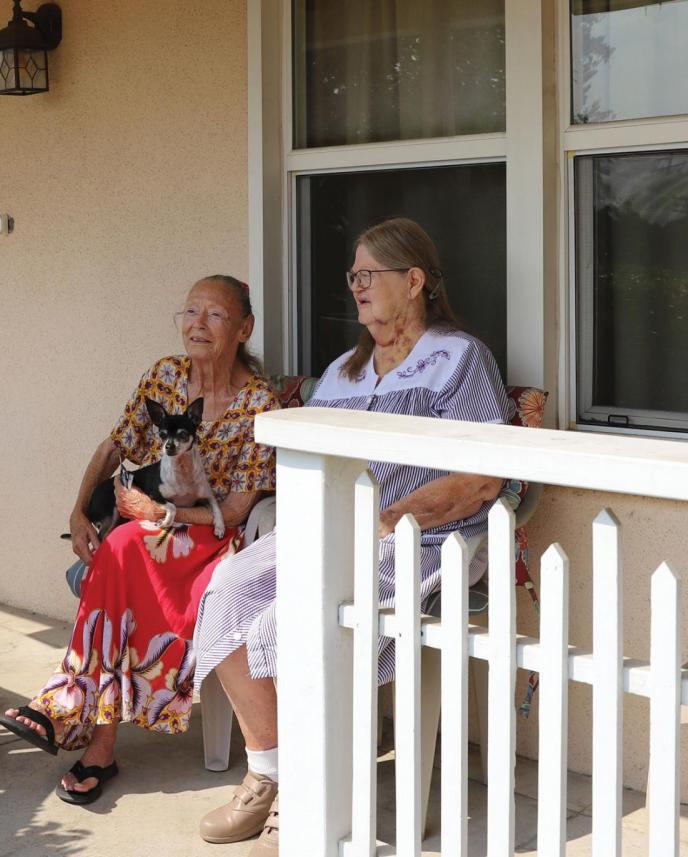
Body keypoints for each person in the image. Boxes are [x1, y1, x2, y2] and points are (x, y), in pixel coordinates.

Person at [192, 217, 513, 856]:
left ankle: (310, 797)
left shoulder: (459, 358)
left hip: (424, 538)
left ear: (414, 280)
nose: (357, 287)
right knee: (224, 590)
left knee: (287, 624)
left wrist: (395, 518)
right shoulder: (344, 368)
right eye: (354, 276)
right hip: (332, 528)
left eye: (369, 275)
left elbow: (483, 477)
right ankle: (271, 772)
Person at [0, 275, 279, 805]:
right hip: (153, 535)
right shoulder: (165, 375)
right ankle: (90, 735)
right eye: (190, 311)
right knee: (122, 548)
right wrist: (79, 511)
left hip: (213, 538)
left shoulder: (259, 401)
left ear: (244, 328)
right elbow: (115, 447)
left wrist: (164, 512)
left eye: (214, 315)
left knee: (124, 545)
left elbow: (239, 508)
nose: (197, 323)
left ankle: (74, 713)